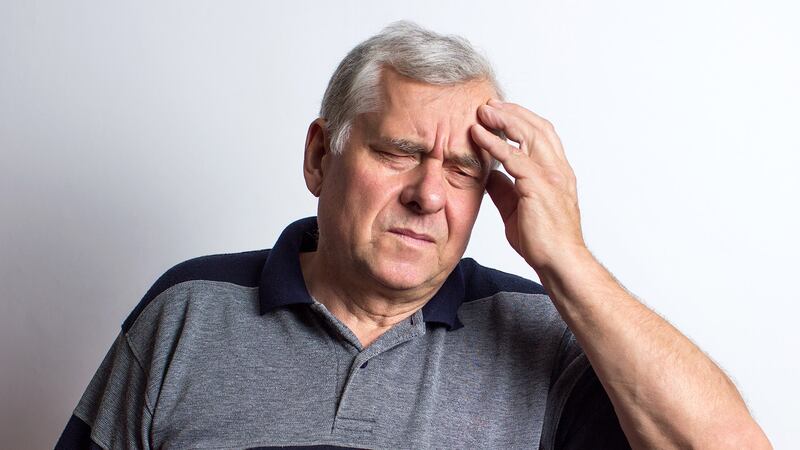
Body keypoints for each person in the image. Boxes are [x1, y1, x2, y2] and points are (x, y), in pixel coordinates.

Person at [56, 21, 771, 449]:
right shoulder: (189, 311)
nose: (428, 194)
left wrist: (568, 260)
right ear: (320, 156)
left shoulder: (542, 335)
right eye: (398, 152)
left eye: (462, 169)